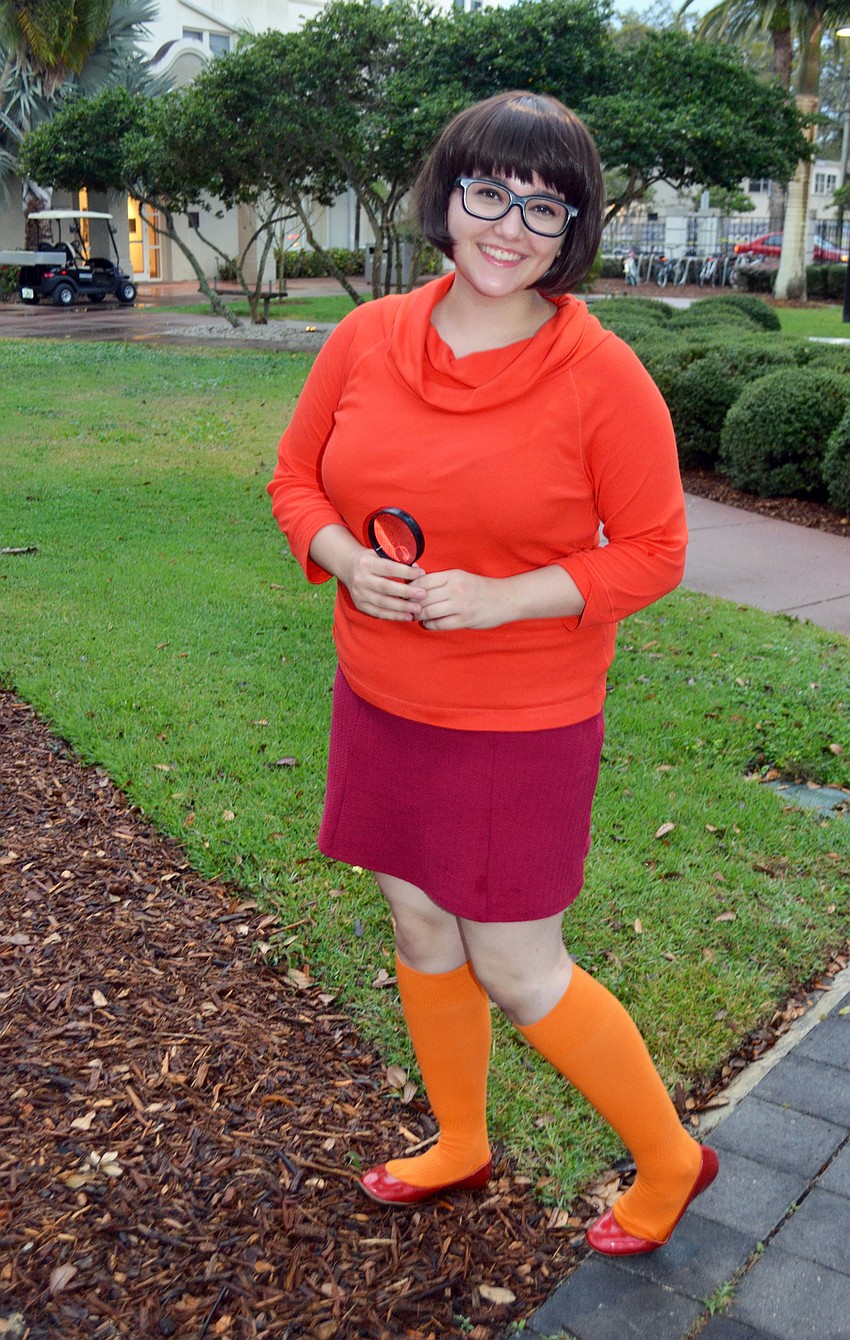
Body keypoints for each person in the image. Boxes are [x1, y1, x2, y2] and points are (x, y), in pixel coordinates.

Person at [267, 90, 718, 1256]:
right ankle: (460, 1139)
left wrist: (503, 597)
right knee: (419, 920)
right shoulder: (367, 337)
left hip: (521, 713)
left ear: (573, 231)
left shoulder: (600, 374)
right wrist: (342, 560)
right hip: (381, 689)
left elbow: (658, 549)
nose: (508, 225)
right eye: (486, 192)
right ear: (445, 196)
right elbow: (296, 482)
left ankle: (673, 1156)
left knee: (517, 961)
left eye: (544, 206)